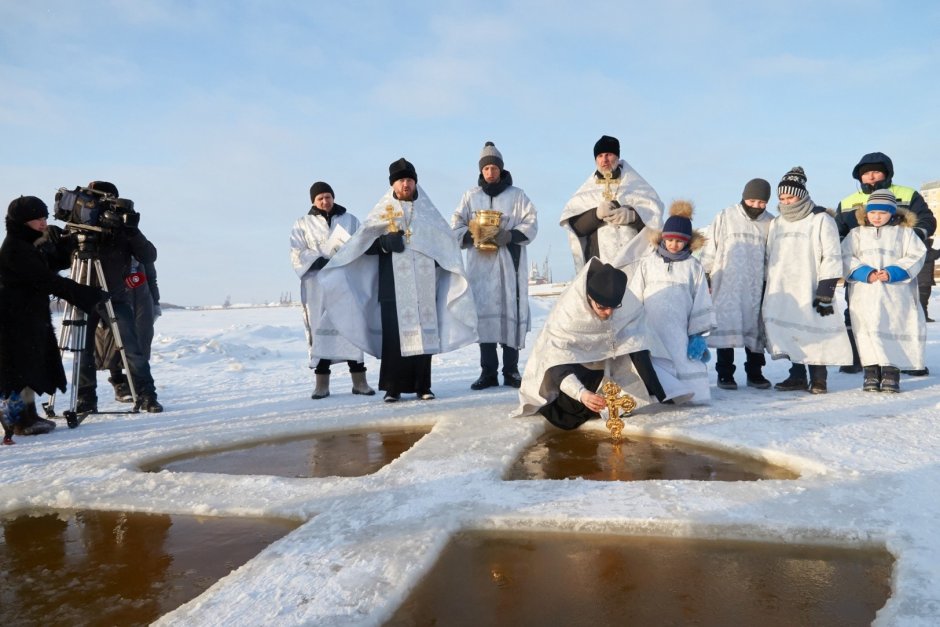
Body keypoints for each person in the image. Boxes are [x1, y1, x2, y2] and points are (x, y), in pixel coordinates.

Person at [317, 158, 477, 402]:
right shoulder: (382, 211)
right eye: (401, 180)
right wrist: (383, 244)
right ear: (393, 184)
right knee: (394, 339)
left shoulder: (428, 213)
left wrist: (437, 258)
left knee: (425, 337)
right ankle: (392, 388)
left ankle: (423, 386)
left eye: (409, 180)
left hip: (424, 285)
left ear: (415, 183)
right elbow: (360, 245)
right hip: (392, 285)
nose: (405, 184)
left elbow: (445, 244)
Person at [0, 196, 107, 443]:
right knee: (15, 372)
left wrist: (67, 246)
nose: (43, 222)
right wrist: (86, 294)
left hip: (28, 318)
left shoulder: (29, 244)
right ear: (23, 221)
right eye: (38, 218)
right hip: (14, 321)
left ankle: (27, 417)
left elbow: (48, 267)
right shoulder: (16, 249)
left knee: (26, 370)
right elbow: (47, 280)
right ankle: (16, 422)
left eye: (45, 217)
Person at [513, 259, 667, 430]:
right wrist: (581, 393)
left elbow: (638, 341)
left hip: (608, 365)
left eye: (614, 307)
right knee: (569, 411)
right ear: (589, 298)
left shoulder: (626, 301)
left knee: (628, 388)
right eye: (602, 307)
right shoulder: (567, 315)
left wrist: (653, 388)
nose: (609, 313)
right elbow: (556, 362)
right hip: (575, 368)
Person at [834, 152, 936, 374]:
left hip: (896, 266)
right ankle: (857, 357)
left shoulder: (907, 194)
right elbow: (838, 232)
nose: (871, 177)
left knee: (900, 314)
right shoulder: (847, 201)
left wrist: (911, 239)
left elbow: (927, 220)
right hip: (863, 269)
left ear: (887, 173)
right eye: (866, 173)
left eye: (876, 172)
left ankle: (906, 360)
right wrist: (849, 259)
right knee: (856, 312)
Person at [452, 142, 538, 390]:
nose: (490, 172)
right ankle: (488, 372)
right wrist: (472, 236)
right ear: (481, 171)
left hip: (509, 265)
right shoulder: (471, 196)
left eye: (494, 167)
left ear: (501, 169)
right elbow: (456, 223)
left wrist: (510, 236)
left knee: (510, 314)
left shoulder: (517, 195)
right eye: (486, 168)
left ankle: (511, 371)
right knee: (485, 319)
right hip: (481, 267)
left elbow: (531, 222)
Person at [73, 181, 163, 414]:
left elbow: (149, 255)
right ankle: (86, 398)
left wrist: (130, 229)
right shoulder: (79, 225)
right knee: (83, 350)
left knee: (132, 348)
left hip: (115, 296)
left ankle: (146, 395)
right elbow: (62, 256)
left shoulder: (122, 227)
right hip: (83, 294)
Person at [763, 167, 852, 394]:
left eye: (790, 196)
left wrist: (827, 286)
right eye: (782, 198)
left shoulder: (821, 219)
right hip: (784, 287)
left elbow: (832, 254)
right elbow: (770, 255)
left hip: (812, 285)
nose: (786, 202)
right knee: (793, 332)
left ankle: (819, 378)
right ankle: (797, 376)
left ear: (801, 195)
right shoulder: (777, 223)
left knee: (816, 329)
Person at [290, 181, 375, 400]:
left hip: (346, 281)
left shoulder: (350, 220)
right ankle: (322, 384)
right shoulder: (302, 224)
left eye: (328, 196)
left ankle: (360, 382)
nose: (325, 201)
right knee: (321, 330)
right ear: (313, 201)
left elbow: (362, 244)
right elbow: (297, 251)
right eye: (320, 198)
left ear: (333, 197)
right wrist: (316, 260)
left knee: (351, 327)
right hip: (318, 284)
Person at [624, 201, 716, 402]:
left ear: (688, 242)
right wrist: (630, 323)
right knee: (653, 361)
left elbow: (701, 300)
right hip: (651, 328)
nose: (674, 244)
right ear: (663, 238)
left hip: (679, 329)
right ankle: (655, 394)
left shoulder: (693, 267)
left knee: (682, 359)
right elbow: (634, 295)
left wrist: (698, 334)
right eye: (670, 239)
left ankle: (688, 395)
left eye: (680, 241)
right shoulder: (648, 264)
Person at [842, 190, 927, 392]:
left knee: (893, 328)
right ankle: (871, 371)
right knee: (867, 330)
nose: (877, 217)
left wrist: (894, 272)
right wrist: (864, 272)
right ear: (866, 213)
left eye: (882, 212)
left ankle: (890, 372)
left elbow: (917, 255)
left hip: (896, 294)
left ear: (892, 213)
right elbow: (845, 256)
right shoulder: (856, 234)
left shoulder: (904, 233)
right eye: (872, 213)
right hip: (865, 292)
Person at [699, 178, 774, 390]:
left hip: (755, 285)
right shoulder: (725, 216)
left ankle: (755, 372)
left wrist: (770, 281)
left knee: (755, 329)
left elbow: (772, 255)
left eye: (761, 203)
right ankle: (725, 373)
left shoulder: (771, 222)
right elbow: (710, 247)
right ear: (743, 197)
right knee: (726, 327)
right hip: (727, 283)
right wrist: (705, 273)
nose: (756, 206)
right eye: (752, 200)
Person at [560, 135, 663, 272]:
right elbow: (576, 227)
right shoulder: (586, 191)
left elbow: (654, 219)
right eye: (600, 156)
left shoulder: (636, 185)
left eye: (608, 154)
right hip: (600, 264)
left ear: (617, 157)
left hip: (634, 261)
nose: (604, 160)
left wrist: (632, 216)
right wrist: (596, 215)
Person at [95, 254, 161, 403]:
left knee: (138, 346)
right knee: (113, 343)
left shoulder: (139, 246)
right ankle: (119, 383)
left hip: (141, 302)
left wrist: (155, 302)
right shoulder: (109, 245)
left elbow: (151, 277)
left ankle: (138, 386)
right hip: (115, 299)